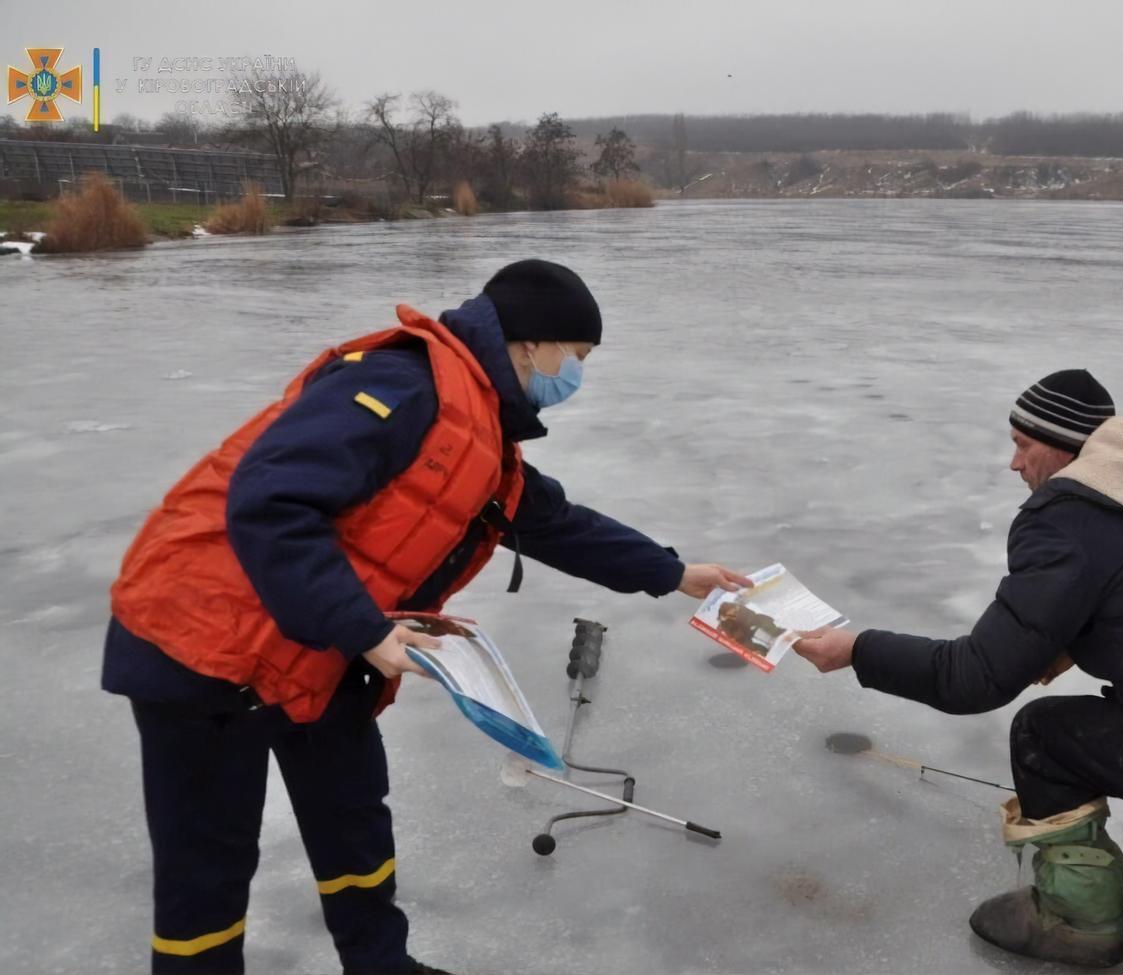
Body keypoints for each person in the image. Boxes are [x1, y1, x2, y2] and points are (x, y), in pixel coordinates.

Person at [104, 259, 751, 975]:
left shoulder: (479, 426)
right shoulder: (400, 385)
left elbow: (551, 522)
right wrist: (370, 631)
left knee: (354, 823)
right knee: (208, 869)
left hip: (323, 648)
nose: (576, 376)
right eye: (578, 357)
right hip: (202, 647)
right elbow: (270, 500)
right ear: (534, 344)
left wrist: (673, 572)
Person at [794, 369, 1123, 968]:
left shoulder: (1061, 522)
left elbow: (974, 677)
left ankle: (1080, 921)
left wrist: (857, 650)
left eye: (1022, 445)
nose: (1014, 464)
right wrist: (1079, 638)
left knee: (1044, 735)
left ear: (1063, 447)